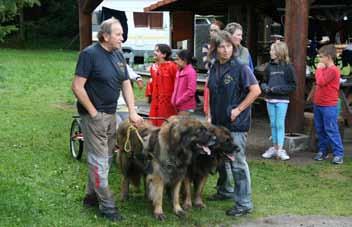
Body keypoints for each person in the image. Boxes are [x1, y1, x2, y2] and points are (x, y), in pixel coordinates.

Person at [71, 17, 143, 222]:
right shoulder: (89, 55)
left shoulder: (118, 55)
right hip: (94, 117)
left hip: (112, 114)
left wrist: (132, 110)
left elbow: (126, 83)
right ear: (105, 36)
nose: (122, 37)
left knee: (105, 158)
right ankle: (107, 206)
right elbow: (77, 86)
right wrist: (93, 113)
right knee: (99, 160)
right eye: (118, 34)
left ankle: (91, 196)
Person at [206, 30, 261, 216]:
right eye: (221, 46)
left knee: (237, 163)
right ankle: (225, 191)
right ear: (215, 49)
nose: (225, 50)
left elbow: (255, 91)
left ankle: (244, 204)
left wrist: (238, 109)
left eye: (229, 46)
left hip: (236, 124)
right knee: (220, 158)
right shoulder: (214, 67)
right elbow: (210, 91)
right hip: (219, 123)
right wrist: (209, 114)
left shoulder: (241, 68)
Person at [261, 41, 297, 160]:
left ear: (279, 52)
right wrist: (265, 88)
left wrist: (277, 89)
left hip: (282, 100)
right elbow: (264, 81)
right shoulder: (268, 66)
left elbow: (292, 86)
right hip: (269, 99)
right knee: (272, 124)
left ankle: (280, 149)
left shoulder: (288, 67)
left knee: (279, 124)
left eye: (272, 50)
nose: (270, 52)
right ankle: (274, 147)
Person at [313, 44, 344, 164]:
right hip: (319, 103)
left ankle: (338, 154)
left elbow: (320, 81)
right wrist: (320, 69)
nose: (320, 59)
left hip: (329, 105)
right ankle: (323, 151)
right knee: (320, 129)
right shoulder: (326, 69)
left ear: (329, 57)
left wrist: (319, 69)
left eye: (321, 57)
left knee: (331, 129)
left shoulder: (333, 70)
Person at [148, 44, 178, 126]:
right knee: (153, 125)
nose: (154, 52)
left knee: (166, 125)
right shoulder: (153, 67)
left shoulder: (172, 66)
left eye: (157, 51)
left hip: (167, 102)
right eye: (155, 50)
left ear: (164, 54)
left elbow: (177, 84)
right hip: (155, 101)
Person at [203, 20, 224, 116]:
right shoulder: (206, 46)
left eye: (215, 30)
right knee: (209, 109)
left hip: (223, 79)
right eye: (211, 30)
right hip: (211, 78)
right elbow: (207, 65)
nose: (212, 33)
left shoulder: (225, 46)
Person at [171, 50, 197, 115]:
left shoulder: (191, 72)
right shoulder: (179, 70)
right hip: (178, 105)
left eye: (178, 59)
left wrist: (179, 100)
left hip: (186, 107)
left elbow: (191, 91)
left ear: (184, 60)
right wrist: (173, 100)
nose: (175, 61)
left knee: (182, 124)